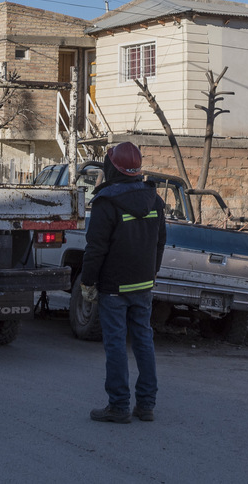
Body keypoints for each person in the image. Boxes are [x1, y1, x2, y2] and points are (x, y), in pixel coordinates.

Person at [79, 142, 166, 424]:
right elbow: (160, 242)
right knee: (143, 340)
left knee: (115, 344)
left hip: (114, 287)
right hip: (143, 285)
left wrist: (88, 282)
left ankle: (118, 406)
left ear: (111, 168)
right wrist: (152, 273)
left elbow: (95, 248)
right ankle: (146, 406)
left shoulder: (106, 203)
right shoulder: (154, 199)